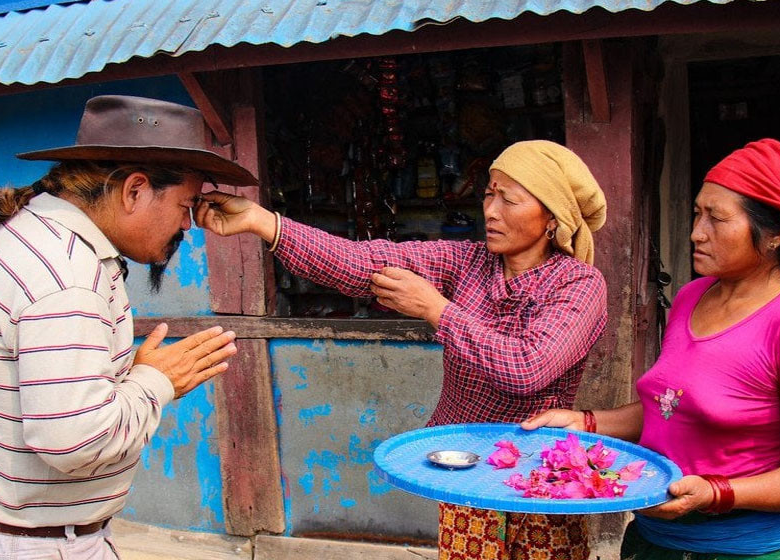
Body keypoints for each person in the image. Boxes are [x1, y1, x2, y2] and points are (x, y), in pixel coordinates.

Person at [196, 140, 609, 560]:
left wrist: (437, 310)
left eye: (510, 199)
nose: (491, 210)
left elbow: (526, 369)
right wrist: (265, 222)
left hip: (538, 477)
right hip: (465, 472)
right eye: (489, 192)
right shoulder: (467, 262)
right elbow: (360, 263)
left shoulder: (579, 284)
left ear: (552, 220)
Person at [0, 95, 249, 559]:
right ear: (134, 191)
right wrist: (156, 382)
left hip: (7, 532)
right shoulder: (68, 279)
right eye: (185, 205)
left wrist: (129, 378)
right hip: (30, 545)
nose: (190, 224)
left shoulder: (37, 232)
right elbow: (75, 441)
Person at [523, 138, 780, 559]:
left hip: (745, 550)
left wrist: (715, 493)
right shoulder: (692, 297)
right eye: (698, 213)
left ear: (774, 235)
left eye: (716, 218)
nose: (697, 232)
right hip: (655, 538)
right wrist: (586, 423)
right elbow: (672, 406)